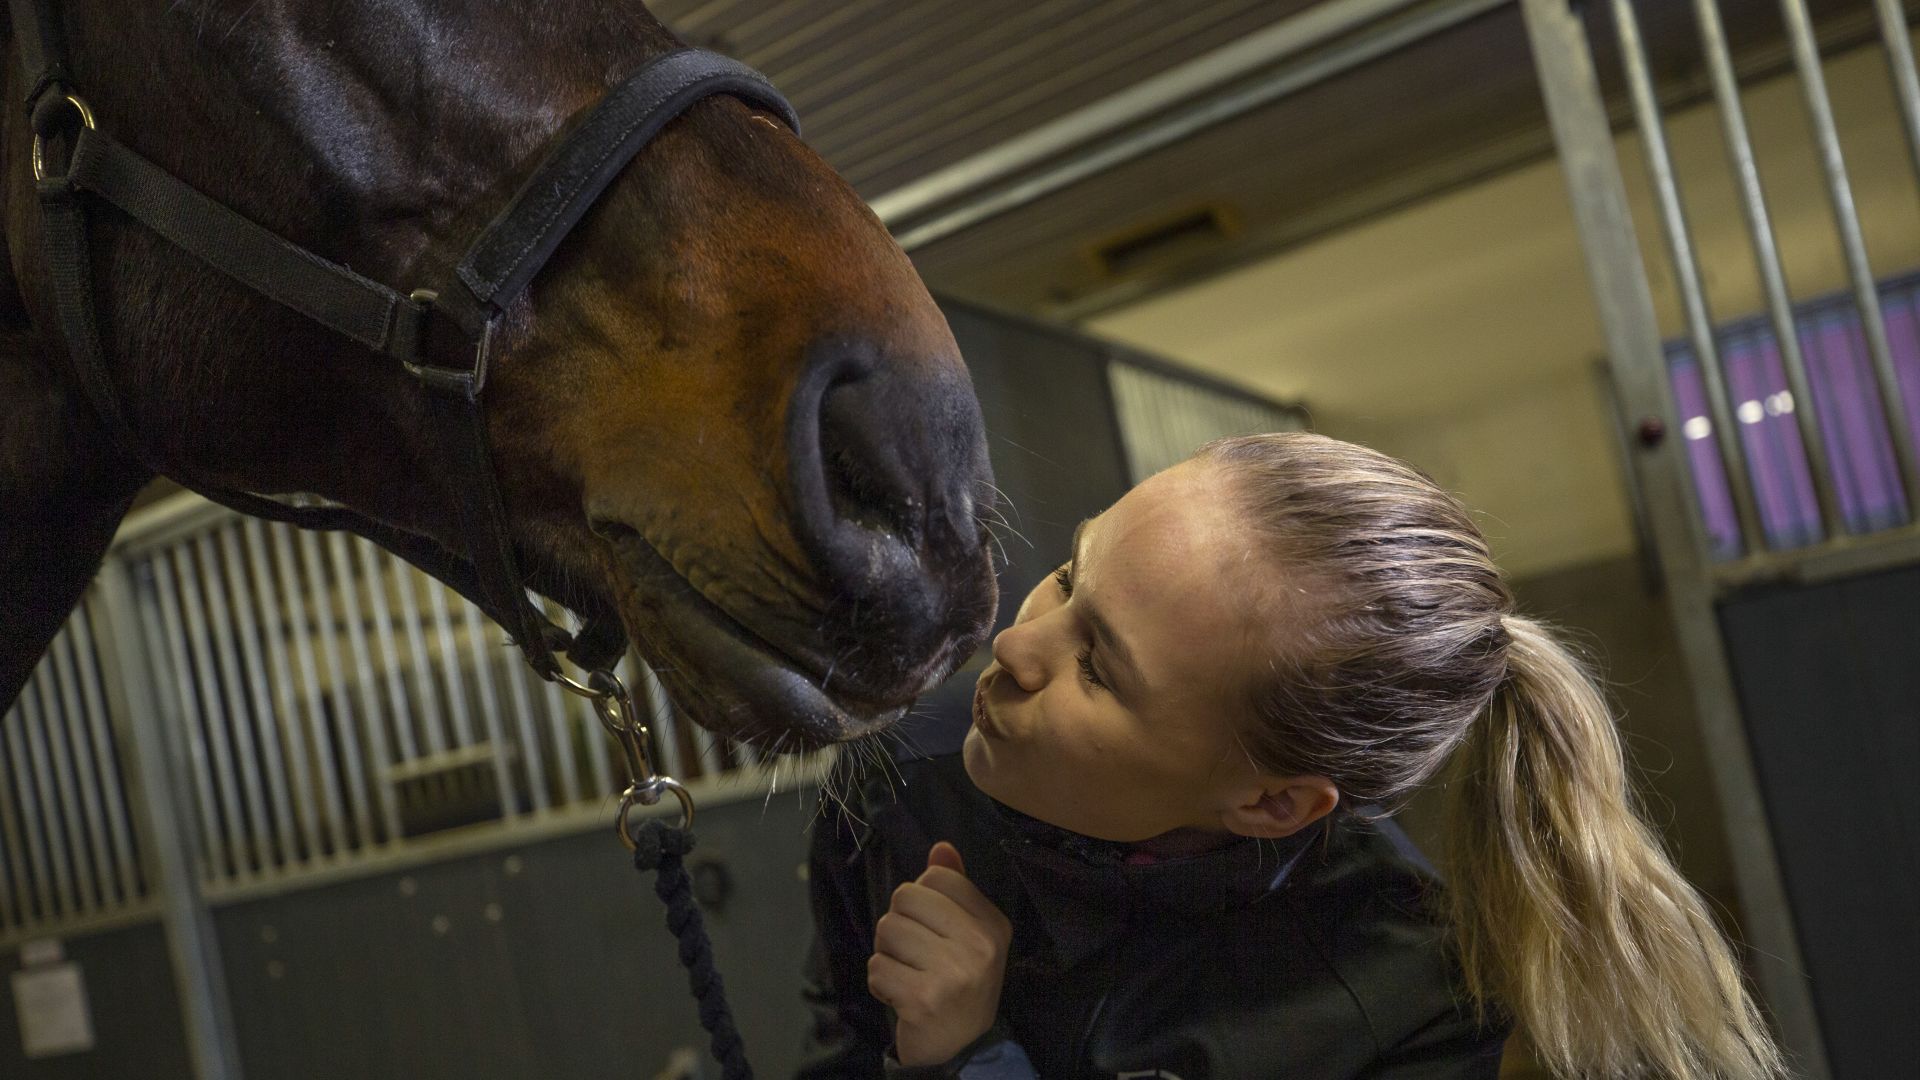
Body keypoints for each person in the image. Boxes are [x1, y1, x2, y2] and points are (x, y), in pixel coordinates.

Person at [797, 432, 1784, 1080]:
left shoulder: (1413, 1011)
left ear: (1273, 805)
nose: (1013, 650)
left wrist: (968, 1061)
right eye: (1066, 578)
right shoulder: (903, 782)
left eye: (1099, 668)